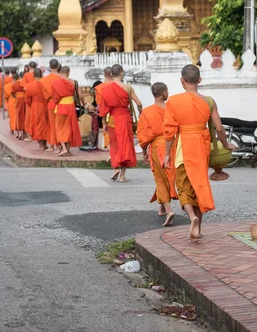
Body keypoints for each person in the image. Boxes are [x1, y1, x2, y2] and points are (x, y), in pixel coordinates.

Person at [163, 64, 234, 241]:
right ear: (199, 80)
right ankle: (198, 227)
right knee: (199, 185)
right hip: (201, 148)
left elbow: (170, 132)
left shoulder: (174, 101)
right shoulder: (209, 101)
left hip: (182, 149)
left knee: (184, 187)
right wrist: (226, 144)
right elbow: (219, 128)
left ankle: (191, 217)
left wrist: (166, 154)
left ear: (182, 81)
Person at [138, 82, 177, 226]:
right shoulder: (172, 110)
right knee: (168, 178)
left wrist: (143, 153)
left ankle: (168, 210)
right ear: (164, 93)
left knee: (160, 179)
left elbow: (143, 136)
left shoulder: (147, 112)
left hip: (157, 148)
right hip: (172, 146)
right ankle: (162, 207)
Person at [99, 64, 141, 182]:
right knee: (125, 145)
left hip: (112, 120)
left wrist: (103, 122)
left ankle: (116, 167)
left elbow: (103, 109)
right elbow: (138, 103)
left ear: (111, 74)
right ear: (122, 73)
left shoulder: (105, 89)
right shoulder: (127, 87)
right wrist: (141, 113)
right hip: (125, 118)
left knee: (115, 144)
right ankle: (122, 176)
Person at [51, 66, 83, 156]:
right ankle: (68, 150)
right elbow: (80, 95)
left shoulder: (55, 83)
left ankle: (64, 148)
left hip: (61, 106)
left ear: (60, 72)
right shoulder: (74, 82)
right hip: (71, 107)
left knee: (59, 127)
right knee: (70, 127)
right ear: (68, 73)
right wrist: (84, 104)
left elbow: (54, 97)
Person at [40, 59, 61, 154]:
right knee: (61, 124)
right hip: (62, 103)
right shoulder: (62, 78)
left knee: (52, 124)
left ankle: (54, 145)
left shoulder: (44, 80)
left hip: (51, 103)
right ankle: (59, 145)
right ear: (58, 66)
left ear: (49, 66)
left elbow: (45, 95)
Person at [25, 68, 48, 149]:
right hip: (45, 105)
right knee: (45, 124)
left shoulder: (29, 85)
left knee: (37, 124)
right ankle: (45, 143)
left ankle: (40, 144)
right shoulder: (45, 83)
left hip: (35, 106)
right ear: (41, 74)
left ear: (33, 75)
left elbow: (27, 99)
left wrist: (31, 104)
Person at [95, 67, 114, 152]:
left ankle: (111, 151)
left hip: (106, 113)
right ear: (112, 74)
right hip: (118, 113)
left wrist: (102, 115)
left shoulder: (100, 88)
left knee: (107, 131)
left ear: (104, 75)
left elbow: (99, 103)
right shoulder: (120, 86)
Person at [22, 61, 37, 141]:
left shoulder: (26, 75)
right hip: (38, 97)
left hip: (29, 98)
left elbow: (24, 87)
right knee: (37, 117)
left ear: (28, 67)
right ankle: (37, 136)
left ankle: (30, 136)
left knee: (28, 117)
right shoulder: (38, 74)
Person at [12, 72, 26, 139]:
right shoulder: (25, 84)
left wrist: (17, 97)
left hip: (18, 100)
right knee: (25, 115)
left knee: (18, 115)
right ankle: (24, 131)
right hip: (25, 100)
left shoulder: (15, 84)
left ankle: (19, 131)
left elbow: (12, 93)